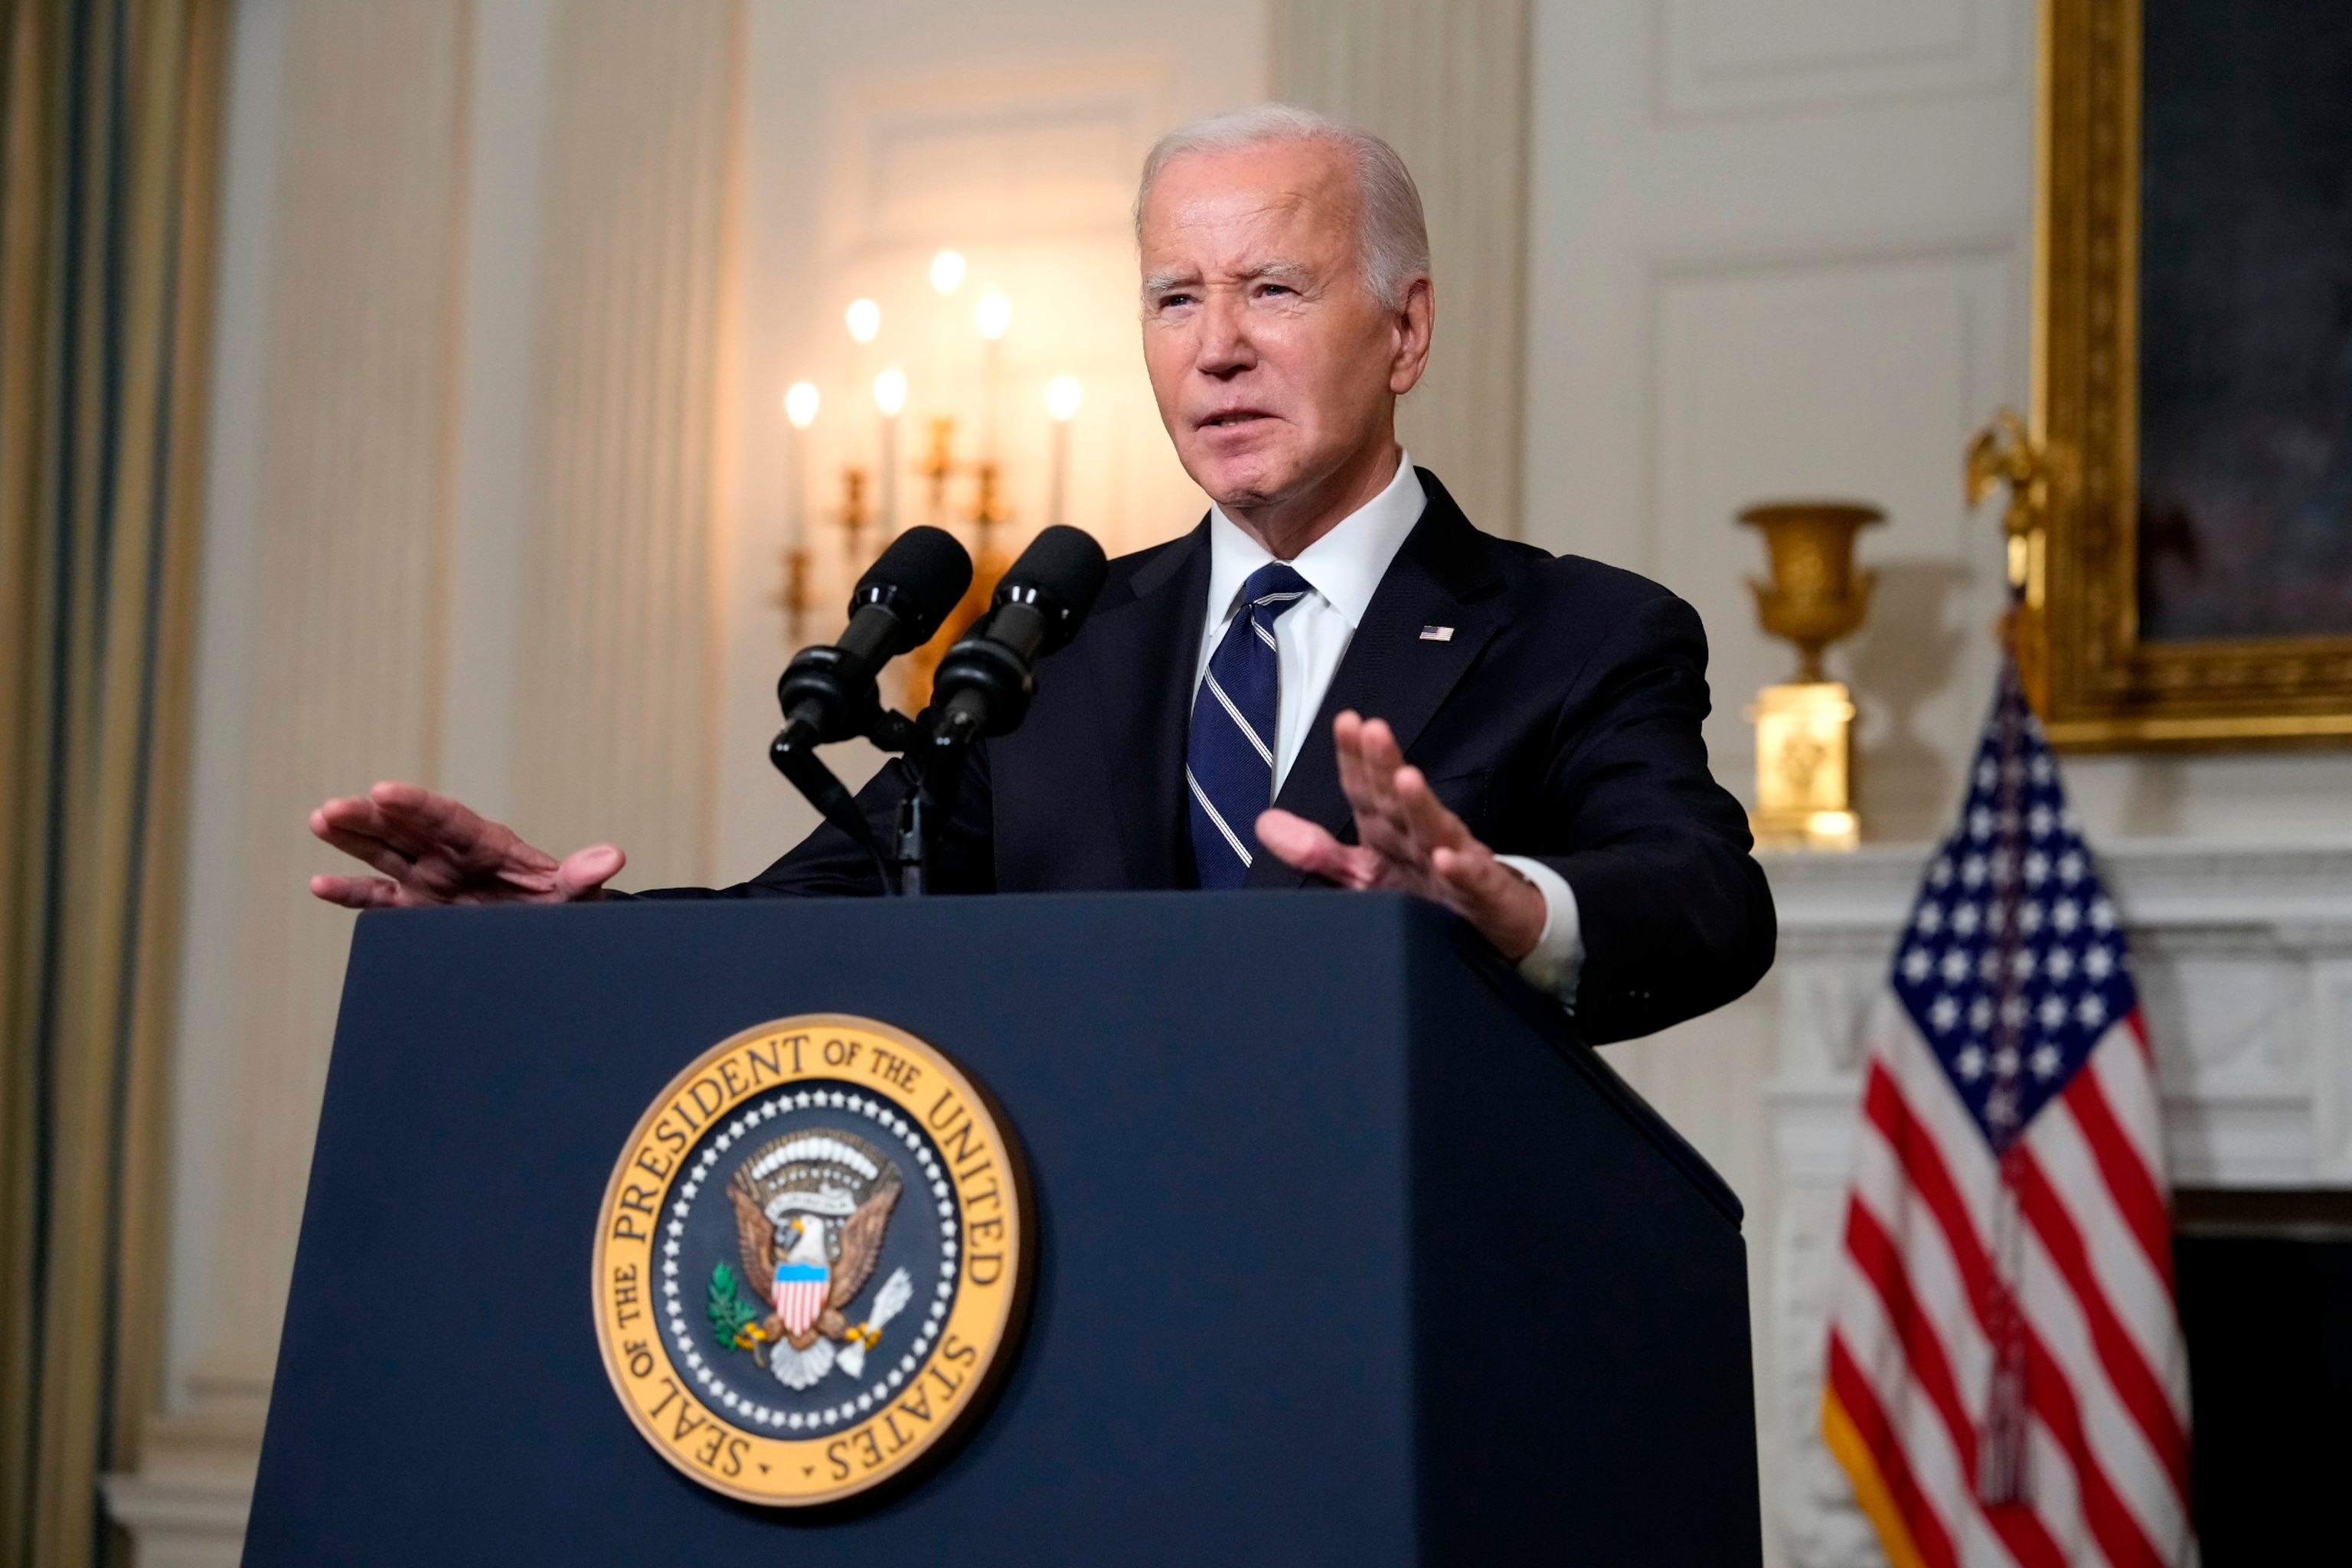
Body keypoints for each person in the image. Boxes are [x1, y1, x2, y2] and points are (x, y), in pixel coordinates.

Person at [308, 104, 1773, 1044]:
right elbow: (818, 902)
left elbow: (1706, 900)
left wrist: (1508, 910)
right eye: (1174, 297)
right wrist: (555, 938)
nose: (1216, 346)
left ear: (1405, 332)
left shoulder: (1585, 633)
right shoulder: (1052, 648)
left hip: (1404, 1317)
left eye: (1273, 288)